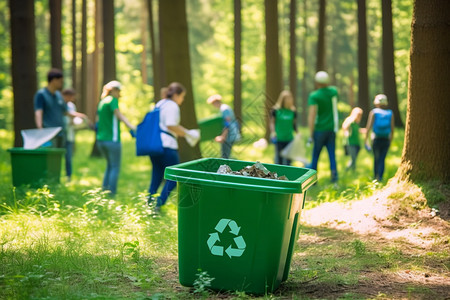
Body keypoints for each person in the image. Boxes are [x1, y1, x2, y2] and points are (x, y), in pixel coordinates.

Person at [148, 82, 194, 213]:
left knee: (156, 176)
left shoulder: (160, 103)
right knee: (174, 177)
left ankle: (149, 204)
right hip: (167, 146)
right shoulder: (172, 106)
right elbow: (170, 125)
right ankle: (159, 204)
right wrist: (187, 133)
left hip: (154, 145)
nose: (182, 100)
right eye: (182, 96)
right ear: (176, 95)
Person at [96, 80, 136, 195]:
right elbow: (120, 116)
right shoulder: (113, 100)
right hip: (112, 140)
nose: (120, 94)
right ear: (113, 90)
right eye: (119, 91)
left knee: (109, 166)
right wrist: (132, 127)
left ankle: (104, 192)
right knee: (115, 167)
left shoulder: (102, 101)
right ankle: (111, 194)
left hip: (101, 140)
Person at [34, 68, 87, 147]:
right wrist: (40, 128)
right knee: (51, 156)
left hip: (61, 132)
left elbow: (65, 112)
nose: (61, 83)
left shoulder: (58, 95)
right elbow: (38, 112)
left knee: (60, 156)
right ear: (54, 80)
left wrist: (81, 115)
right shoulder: (41, 94)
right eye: (60, 81)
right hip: (49, 132)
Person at [307, 71, 339, 183]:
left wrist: (310, 134)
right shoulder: (334, 92)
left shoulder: (314, 96)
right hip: (331, 129)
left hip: (319, 130)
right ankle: (334, 178)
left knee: (315, 155)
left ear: (317, 82)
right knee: (332, 155)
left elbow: (312, 115)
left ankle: (312, 181)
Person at [365, 94, 394, 181]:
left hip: (376, 139)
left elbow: (368, 127)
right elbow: (392, 128)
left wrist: (366, 139)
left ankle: (375, 177)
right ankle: (380, 177)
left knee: (376, 158)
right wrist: (391, 140)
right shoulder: (390, 113)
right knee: (382, 158)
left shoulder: (374, 112)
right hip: (386, 139)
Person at [206, 94, 240, 159]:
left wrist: (223, 136)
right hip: (228, 134)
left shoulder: (224, 109)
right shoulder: (223, 108)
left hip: (229, 134)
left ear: (216, 102)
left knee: (225, 156)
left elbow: (227, 123)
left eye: (213, 104)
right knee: (226, 154)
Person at [269, 90, 297, 165]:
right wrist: (272, 132)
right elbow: (272, 123)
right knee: (279, 160)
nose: (289, 100)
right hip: (279, 138)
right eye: (287, 98)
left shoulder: (293, 111)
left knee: (288, 161)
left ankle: (288, 176)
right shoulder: (275, 110)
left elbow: (294, 124)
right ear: (283, 99)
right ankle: (278, 176)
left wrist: (297, 133)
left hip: (289, 138)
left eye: (290, 98)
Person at [62, 88, 78, 181]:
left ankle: (68, 176)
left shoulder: (72, 105)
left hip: (70, 134)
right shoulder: (60, 104)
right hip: (61, 134)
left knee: (69, 157)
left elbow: (72, 118)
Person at [342, 107, 365, 171]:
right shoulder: (350, 120)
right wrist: (346, 132)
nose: (360, 117)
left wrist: (365, 131)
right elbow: (344, 127)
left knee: (353, 159)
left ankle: (350, 170)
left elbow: (357, 130)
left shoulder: (356, 123)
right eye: (358, 115)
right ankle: (350, 171)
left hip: (357, 143)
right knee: (353, 159)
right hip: (350, 143)